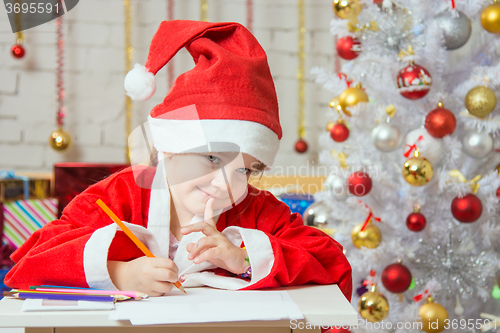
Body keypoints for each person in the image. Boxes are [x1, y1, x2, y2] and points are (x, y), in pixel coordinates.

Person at [5, 20, 352, 301]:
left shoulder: (256, 208)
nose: (227, 184)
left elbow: (333, 263)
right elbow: (27, 266)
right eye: (213, 158)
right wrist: (119, 273)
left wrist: (242, 258)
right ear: (168, 148)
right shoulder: (116, 196)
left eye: (246, 169)